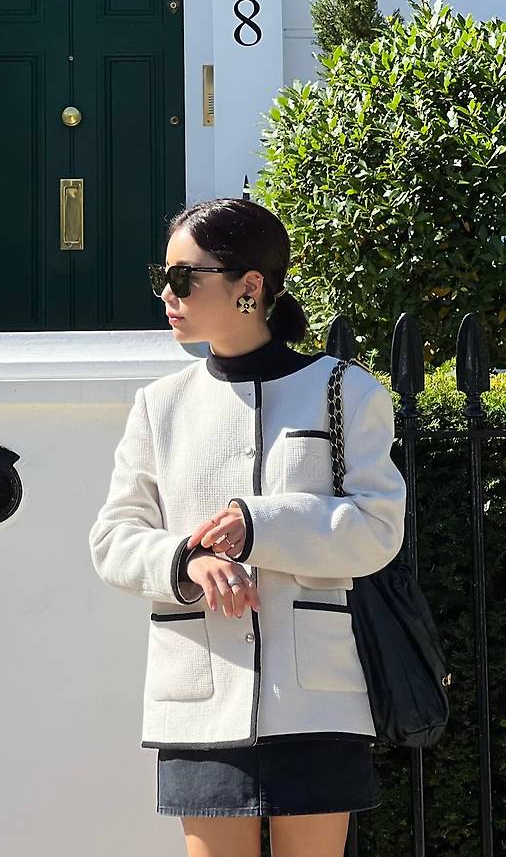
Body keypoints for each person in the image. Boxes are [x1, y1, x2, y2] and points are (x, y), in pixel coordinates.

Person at [88, 197, 407, 857]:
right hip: (198, 690)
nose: (168, 294)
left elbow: (378, 527)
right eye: (162, 277)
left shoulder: (345, 392)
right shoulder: (160, 406)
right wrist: (187, 559)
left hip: (316, 694)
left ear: (250, 286)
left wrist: (259, 523)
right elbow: (113, 537)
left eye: (184, 277)